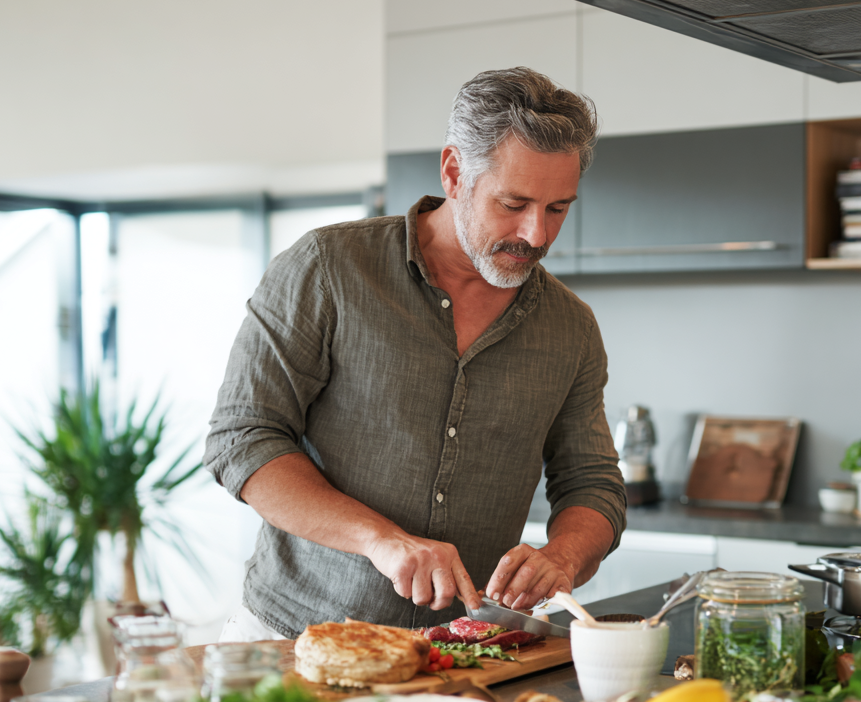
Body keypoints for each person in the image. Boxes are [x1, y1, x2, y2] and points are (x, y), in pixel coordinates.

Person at [205, 67, 626, 642]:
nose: (536, 235)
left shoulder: (570, 326)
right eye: (514, 203)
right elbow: (242, 438)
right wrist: (380, 539)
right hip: (293, 638)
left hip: (464, 653)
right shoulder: (328, 269)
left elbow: (593, 482)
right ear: (455, 172)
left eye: (558, 208)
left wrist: (565, 556)